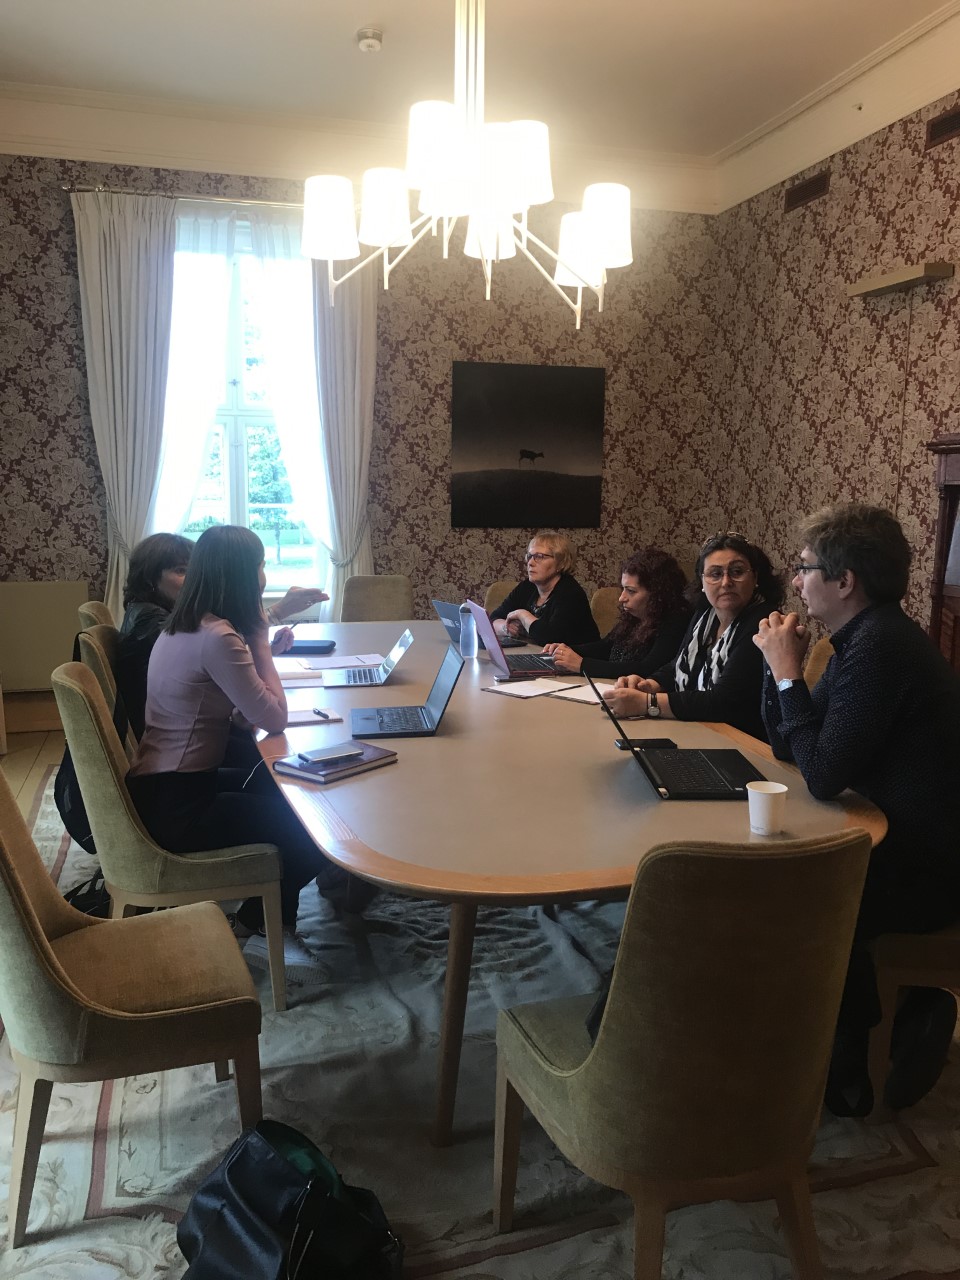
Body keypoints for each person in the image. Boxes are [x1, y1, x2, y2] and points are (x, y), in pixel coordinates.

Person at [754, 503, 960, 1116]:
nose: (796, 580)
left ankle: (861, 1050)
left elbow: (822, 775)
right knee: (776, 880)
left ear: (845, 581)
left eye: (805, 568)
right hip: (890, 842)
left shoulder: (881, 647)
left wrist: (787, 675)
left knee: (780, 892)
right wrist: (777, 670)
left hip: (924, 870)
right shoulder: (862, 640)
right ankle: (882, 1021)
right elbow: (790, 744)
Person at [125, 525, 337, 934]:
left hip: (160, 787)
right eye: (261, 565)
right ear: (246, 576)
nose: (264, 575)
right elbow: (275, 718)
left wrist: (240, 706)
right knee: (315, 828)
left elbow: (231, 708)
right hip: (180, 808)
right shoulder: (218, 636)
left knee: (282, 788)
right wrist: (259, 637)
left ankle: (275, 912)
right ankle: (257, 926)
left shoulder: (184, 624)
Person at [117, 531, 328, 739]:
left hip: (172, 743)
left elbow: (214, 675)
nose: (193, 579)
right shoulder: (160, 624)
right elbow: (276, 719)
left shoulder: (175, 619)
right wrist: (261, 636)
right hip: (181, 751)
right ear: (149, 579)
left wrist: (266, 646)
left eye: (194, 570)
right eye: (181, 571)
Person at [603, 532, 783, 740]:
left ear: (756, 577)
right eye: (715, 574)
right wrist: (649, 685)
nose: (726, 582)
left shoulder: (765, 623)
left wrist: (647, 703)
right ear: (702, 582)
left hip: (742, 742)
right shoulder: (705, 614)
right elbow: (678, 665)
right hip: (699, 729)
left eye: (737, 572)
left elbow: (723, 702)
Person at [543, 546, 690, 678]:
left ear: (657, 593)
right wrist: (566, 650)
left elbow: (648, 669)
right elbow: (606, 646)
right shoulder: (636, 615)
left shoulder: (677, 620)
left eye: (631, 591)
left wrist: (582, 665)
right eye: (623, 589)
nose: (621, 598)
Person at [488, 531, 599, 647]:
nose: (530, 563)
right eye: (529, 556)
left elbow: (550, 638)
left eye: (539, 557)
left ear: (561, 563)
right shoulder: (527, 587)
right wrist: (506, 627)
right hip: (537, 655)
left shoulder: (570, 593)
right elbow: (493, 619)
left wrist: (523, 615)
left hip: (578, 657)